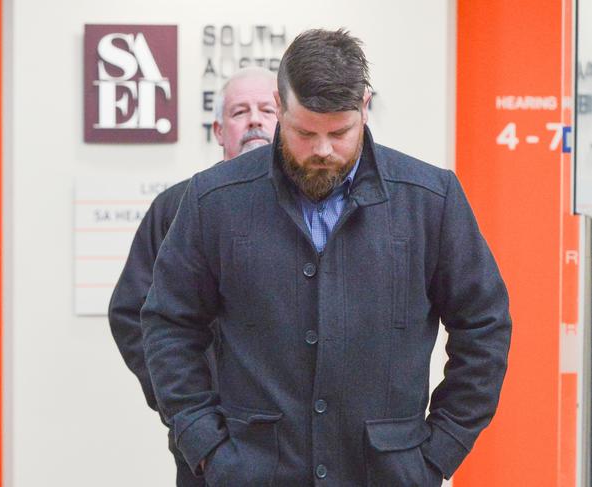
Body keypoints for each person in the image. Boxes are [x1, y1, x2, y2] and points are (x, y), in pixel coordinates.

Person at [141, 29, 512, 487]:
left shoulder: (430, 200)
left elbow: (485, 324)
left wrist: (439, 451)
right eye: (304, 132)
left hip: (386, 474)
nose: (322, 150)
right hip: (253, 472)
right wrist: (205, 444)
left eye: (340, 132)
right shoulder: (213, 200)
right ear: (280, 105)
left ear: (365, 107)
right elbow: (168, 324)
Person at [108, 66, 278, 487]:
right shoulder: (177, 207)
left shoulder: (310, 207)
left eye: (267, 110)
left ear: (288, 122)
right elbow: (132, 312)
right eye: (240, 111)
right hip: (209, 443)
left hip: (295, 442)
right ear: (220, 130)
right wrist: (187, 409)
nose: (254, 119)